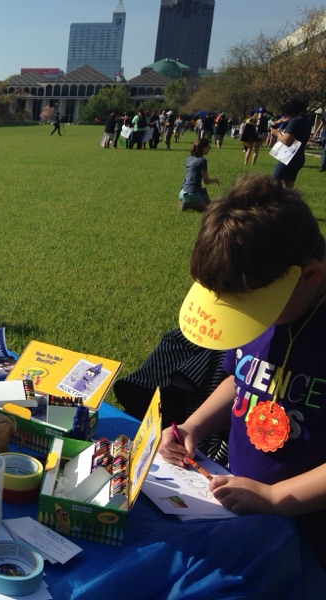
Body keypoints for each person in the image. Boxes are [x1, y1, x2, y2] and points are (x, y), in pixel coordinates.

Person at [158, 174, 326, 568]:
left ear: (310, 276)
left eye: (253, 311)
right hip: (243, 506)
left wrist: (276, 498)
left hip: (307, 533)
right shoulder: (266, 293)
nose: (251, 321)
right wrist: (194, 427)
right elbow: (241, 377)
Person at [269, 98, 311, 187]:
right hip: (300, 156)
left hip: (289, 156)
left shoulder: (294, 121)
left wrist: (277, 133)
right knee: (288, 182)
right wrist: (284, 121)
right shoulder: (307, 120)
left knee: (274, 181)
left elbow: (286, 141)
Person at [178, 138, 219, 212]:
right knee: (210, 209)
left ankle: (186, 202)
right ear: (203, 148)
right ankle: (188, 204)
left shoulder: (189, 159)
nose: (210, 148)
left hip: (182, 192)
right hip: (192, 194)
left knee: (203, 194)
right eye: (208, 146)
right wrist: (215, 180)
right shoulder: (202, 161)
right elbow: (206, 181)